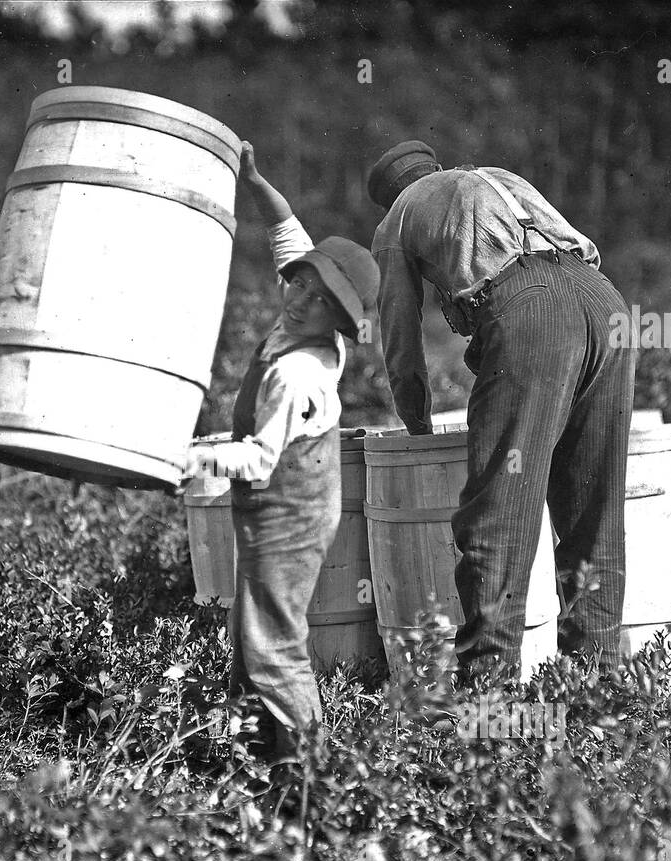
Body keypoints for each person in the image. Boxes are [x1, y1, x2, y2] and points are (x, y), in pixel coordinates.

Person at [366, 141, 636, 675]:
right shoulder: (499, 178)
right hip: (606, 304)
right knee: (594, 510)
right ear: (433, 166)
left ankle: (490, 698)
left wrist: (417, 422)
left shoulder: (400, 217)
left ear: (389, 194)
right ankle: (597, 686)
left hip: (532, 310)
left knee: (498, 511)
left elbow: (400, 333)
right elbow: (579, 258)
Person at [183, 142, 380, 760]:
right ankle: (257, 763)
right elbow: (288, 234)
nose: (297, 297)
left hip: (289, 512)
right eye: (300, 284)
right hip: (282, 503)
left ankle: (315, 778)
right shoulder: (299, 312)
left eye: (318, 298)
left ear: (337, 321)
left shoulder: (298, 373)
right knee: (254, 633)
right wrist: (256, 181)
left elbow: (259, 460)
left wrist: (191, 460)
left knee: (273, 645)